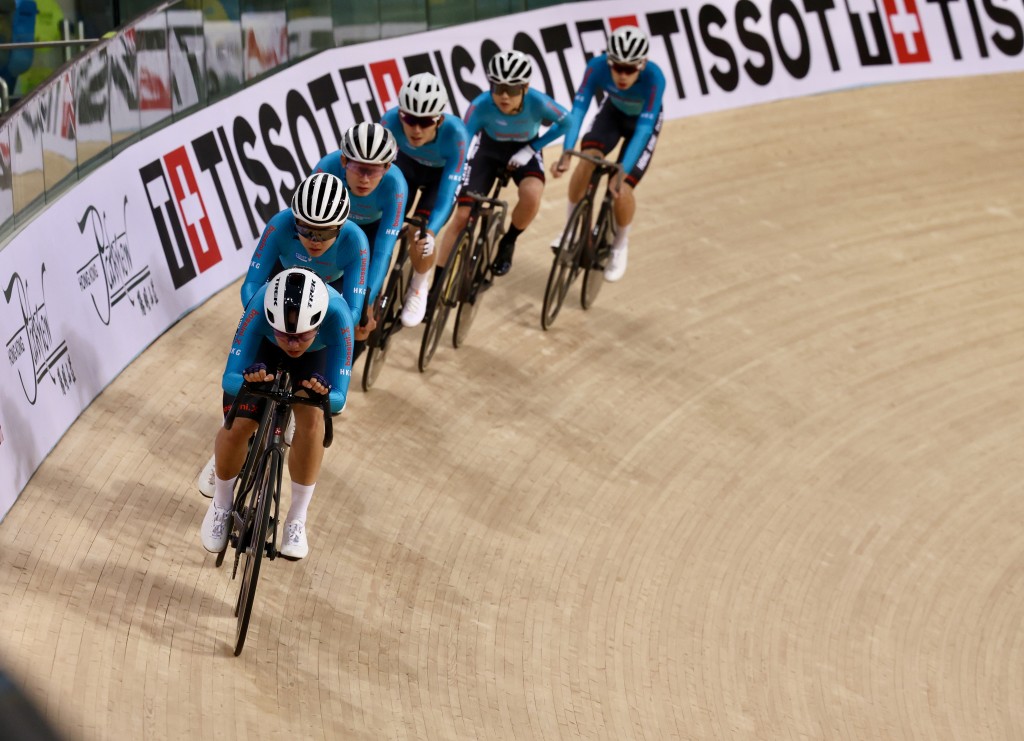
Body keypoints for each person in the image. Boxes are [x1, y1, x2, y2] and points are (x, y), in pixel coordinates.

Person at [197, 172, 366, 498]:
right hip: (280, 298)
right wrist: (265, 316)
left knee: (311, 419)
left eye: (325, 232)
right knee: (244, 417)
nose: (314, 239)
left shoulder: (355, 242)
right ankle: (232, 447)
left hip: (321, 314)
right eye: (305, 229)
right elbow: (252, 284)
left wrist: (318, 329)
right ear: (294, 222)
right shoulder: (279, 225)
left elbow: (353, 312)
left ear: (341, 227)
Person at [200, 268, 354, 560]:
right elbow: (229, 378)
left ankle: (296, 518)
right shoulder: (260, 305)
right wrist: (249, 381)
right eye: (285, 334)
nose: (293, 343)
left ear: (319, 323)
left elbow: (339, 398)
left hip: (315, 359)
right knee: (240, 424)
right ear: (271, 319)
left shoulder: (338, 315)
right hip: (263, 353)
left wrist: (323, 394)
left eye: (302, 335)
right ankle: (221, 504)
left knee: (312, 421)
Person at [440, 50, 569, 277]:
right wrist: (456, 175)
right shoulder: (480, 105)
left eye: (511, 89)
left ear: (525, 88)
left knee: (532, 195)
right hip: (488, 150)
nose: (504, 96)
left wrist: (532, 148)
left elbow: (568, 122)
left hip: (525, 148)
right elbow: (464, 142)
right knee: (461, 216)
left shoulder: (538, 102)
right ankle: (436, 284)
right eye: (498, 88)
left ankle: (508, 241)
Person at [552, 25, 665, 283]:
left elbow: (645, 130)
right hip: (613, 114)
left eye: (630, 69)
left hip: (642, 124)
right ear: (608, 60)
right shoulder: (596, 67)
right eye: (617, 67)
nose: (623, 75)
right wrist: (567, 151)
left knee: (621, 188)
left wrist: (622, 169)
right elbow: (577, 111)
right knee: (587, 158)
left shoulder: (655, 79)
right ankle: (570, 231)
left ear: (643, 65)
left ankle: (620, 246)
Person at [313, 122, 408, 360]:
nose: (365, 179)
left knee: (360, 317)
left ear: (387, 167)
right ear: (344, 162)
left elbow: (383, 252)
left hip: (374, 233)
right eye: (359, 169)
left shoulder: (396, 185)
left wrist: (367, 298)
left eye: (374, 171)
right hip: (334, 229)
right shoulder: (326, 167)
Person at [381, 72, 468, 327]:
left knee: (419, 235)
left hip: (439, 179)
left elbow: (448, 192)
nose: (416, 129)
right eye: (409, 119)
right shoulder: (388, 122)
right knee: (383, 222)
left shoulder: (456, 134)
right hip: (405, 168)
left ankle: (419, 288)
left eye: (426, 122)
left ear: (439, 119)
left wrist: (430, 231)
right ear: (400, 115)